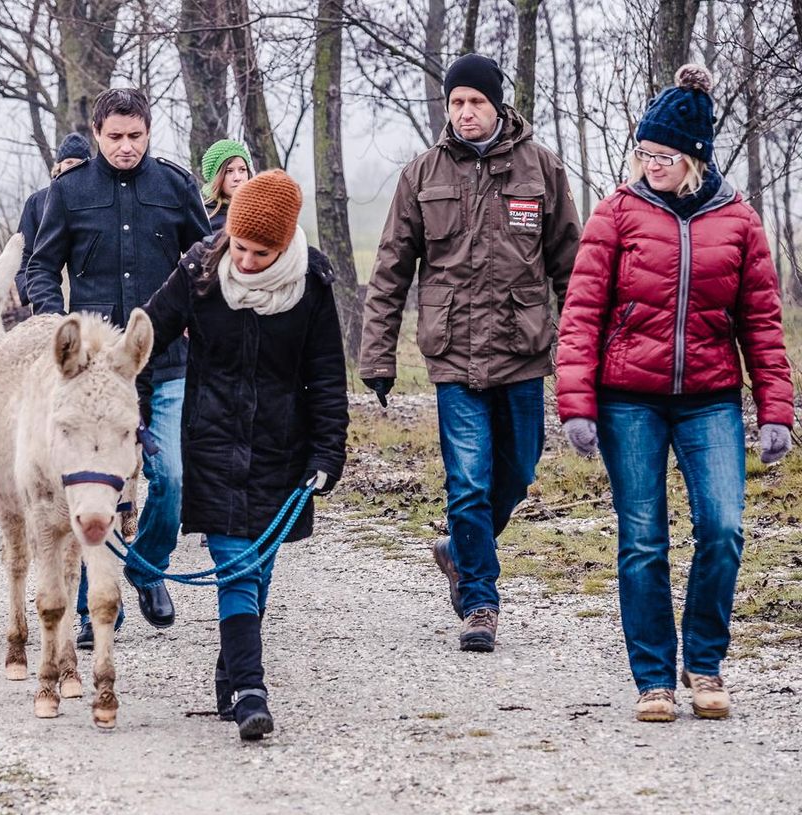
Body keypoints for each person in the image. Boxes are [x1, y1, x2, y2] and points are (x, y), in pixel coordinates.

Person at [556, 65, 795, 723]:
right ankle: (655, 677)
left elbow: (762, 323)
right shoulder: (616, 214)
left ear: (694, 158)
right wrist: (576, 404)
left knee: (723, 527)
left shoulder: (740, 223)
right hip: (626, 399)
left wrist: (776, 409)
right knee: (642, 539)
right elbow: (580, 314)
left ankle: (706, 662)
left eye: (662, 155)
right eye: (644, 153)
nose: (649, 164)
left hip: (711, 398)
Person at [358, 53, 582, 653]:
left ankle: (457, 550)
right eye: (456, 102)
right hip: (453, 352)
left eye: (475, 102)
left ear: (497, 105)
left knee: (519, 470)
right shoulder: (422, 175)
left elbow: (572, 271)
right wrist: (377, 356)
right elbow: (389, 273)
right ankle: (480, 601)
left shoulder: (542, 170)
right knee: (469, 483)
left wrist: (583, 355)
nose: (464, 112)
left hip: (524, 349)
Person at [139, 170, 348, 740]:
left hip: (284, 448)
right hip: (210, 439)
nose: (248, 261)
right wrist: (122, 404)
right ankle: (253, 688)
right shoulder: (200, 270)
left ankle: (230, 669)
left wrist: (329, 449)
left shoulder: (312, 284)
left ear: (285, 245)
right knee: (236, 565)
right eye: (240, 245)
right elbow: (146, 337)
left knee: (260, 568)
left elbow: (326, 374)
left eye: (263, 252)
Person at [26, 88, 211, 644]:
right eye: (115, 138)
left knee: (172, 478)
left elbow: (206, 260)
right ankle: (92, 608)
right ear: (98, 133)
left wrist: (192, 316)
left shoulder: (175, 187)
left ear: (148, 133)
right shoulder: (69, 191)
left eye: (135, 137)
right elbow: (40, 268)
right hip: (92, 374)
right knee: (93, 486)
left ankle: (146, 567)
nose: (126, 147)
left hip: (166, 360)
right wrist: (56, 326)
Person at [15, 132, 92, 305]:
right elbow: (24, 252)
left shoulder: (99, 200)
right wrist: (31, 290)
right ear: (59, 166)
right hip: (47, 288)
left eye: (80, 163)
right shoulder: (37, 202)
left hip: (86, 292)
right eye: (69, 163)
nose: (74, 168)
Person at [200, 139, 253, 231]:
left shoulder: (261, 211)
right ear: (216, 177)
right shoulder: (202, 217)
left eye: (242, 170)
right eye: (229, 171)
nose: (237, 177)